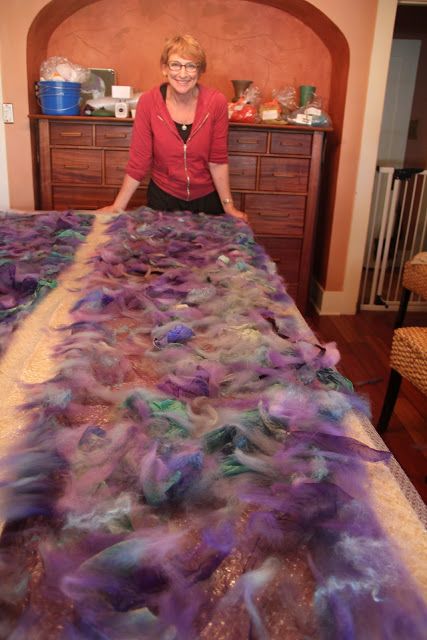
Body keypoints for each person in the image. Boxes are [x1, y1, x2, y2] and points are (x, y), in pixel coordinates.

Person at [98, 34, 247, 221]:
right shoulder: (148, 102)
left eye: (191, 66)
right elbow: (139, 160)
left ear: (200, 71)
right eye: (175, 64)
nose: (183, 74)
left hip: (207, 201)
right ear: (164, 68)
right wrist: (118, 206)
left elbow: (217, 161)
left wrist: (229, 206)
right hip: (163, 200)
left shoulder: (216, 102)